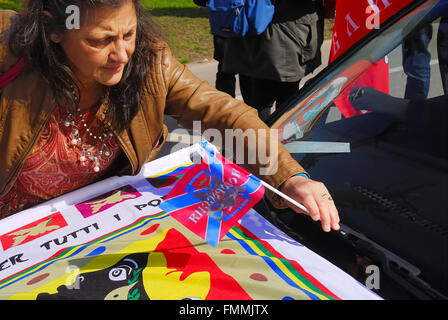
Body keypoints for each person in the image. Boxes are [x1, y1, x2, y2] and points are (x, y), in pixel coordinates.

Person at [0, 0, 339, 233]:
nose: (121, 54)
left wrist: (288, 177)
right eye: (100, 40)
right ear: (53, 30)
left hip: (92, 230)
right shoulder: (9, 57)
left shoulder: (149, 62)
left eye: (129, 34)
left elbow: (222, 114)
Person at [220, 0, 331, 121]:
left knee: (258, 100)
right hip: (283, 37)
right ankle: (267, 137)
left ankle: (259, 136)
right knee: (281, 105)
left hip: (248, 32)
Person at [192, 0, 237, 97]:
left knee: (225, 74)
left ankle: (225, 109)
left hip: (224, 27)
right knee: (250, 79)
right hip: (248, 29)